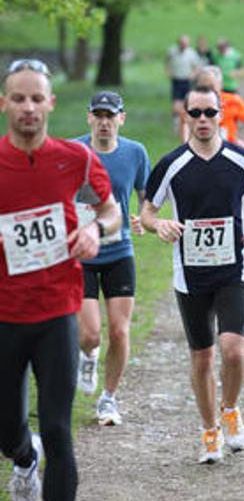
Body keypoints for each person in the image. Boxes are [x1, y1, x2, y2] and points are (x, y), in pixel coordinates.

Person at [0, 59, 120, 501]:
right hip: (4, 314)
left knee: (57, 427)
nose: (28, 107)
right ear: (4, 104)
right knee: (7, 430)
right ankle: (24, 457)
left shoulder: (76, 159)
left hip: (57, 311)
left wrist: (95, 230)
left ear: (50, 103)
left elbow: (111, 209)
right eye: (19, 99)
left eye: (36, 98)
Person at [141, 84, 244, 464]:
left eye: (210, 112)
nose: (203, 119)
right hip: (191, 275)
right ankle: (209, 432)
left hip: (233, 269)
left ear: (221, 114)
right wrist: (159, 224)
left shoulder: (241, 159)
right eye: (195, 113)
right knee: (202, 358)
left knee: (233, 350)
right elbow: (148, 212)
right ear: (185, 116)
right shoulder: (171, 165)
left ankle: (230, 409)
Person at [75, 90, 151, 427]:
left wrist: (143, 218)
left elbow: (146, 197)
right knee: (90, 334)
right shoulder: (73, 151)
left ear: (121, 119)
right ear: (89, 117)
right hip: (82, 254)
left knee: (120, 331)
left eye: (110, 116)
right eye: (99, 116)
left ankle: (108, 398)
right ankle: (89, 355)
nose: (104, 122)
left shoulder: (135, 153)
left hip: (119, 252)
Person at [180, 66, 244, 149]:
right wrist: (186, 144)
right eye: (204, 87)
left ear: (220, 85)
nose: (208, 91)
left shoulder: (233, 100)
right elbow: (184, 122)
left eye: (211, 87)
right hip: (201, 149)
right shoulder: (193, 102)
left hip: (229, 149)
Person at [165, 35, 201, 133]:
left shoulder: (191, 53)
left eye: (185, 43)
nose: (183, 45)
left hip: (187, 81)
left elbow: (197, 66)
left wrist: (193, 75)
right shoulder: (172, 51)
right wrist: (168, 72)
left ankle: (187, 125)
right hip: (176, 80)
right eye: (182, 43)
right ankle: (176, 125)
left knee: (187, 104)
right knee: (176, 106)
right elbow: (167, 61)